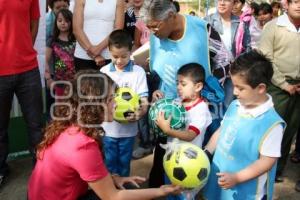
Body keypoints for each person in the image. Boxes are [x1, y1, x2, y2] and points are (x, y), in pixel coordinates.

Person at [28, 70, 182, 200]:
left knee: (122, 184)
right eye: (110, 99)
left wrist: (113, 178)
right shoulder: (82, 145)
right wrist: (161, 191)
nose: (116, 103)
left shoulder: (69, 125)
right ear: (93, 106)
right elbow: (112, 197)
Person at [139, 0, 229, 187]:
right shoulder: (157, 36)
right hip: (167, 107)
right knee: (164, 150)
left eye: (155, 26)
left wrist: (206, 94)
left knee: (194, 154)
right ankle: (158, 187)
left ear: (171, 16)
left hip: (198, 107)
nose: (153, 32)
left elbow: (224, 60)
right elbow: (156, 66)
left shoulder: (202, 30)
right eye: (149, 28)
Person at [203, 50, 285, 200]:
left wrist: (237, 177)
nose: (234, 92)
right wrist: (206, 152)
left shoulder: (273, 125)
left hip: (245, 192)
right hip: (220, 182)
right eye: (234, 86)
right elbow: (222, 131)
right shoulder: (235, 105)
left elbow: (267, 162)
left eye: (240, 88)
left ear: (260, 88)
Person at [0, 0, 43, 187]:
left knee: (36, 126)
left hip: (28, 69)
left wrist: (23, 48)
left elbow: (34, 22)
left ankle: (41, 171)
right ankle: (1, 170)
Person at [156, 63, 212, 200]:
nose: (178, 87)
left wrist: (167, 130)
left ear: (198, 86)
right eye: (177, 83)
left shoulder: (201, 110)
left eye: (183, 84)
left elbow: (190, 135)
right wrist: (157, 102)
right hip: (170, 159)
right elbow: (163, 115)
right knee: (170, 193)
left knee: (183, 196)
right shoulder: (177, 102)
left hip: (188, 165)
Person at [258, 0, 300, 182]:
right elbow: (267, 57)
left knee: (291, 130)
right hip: (278, 87)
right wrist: (284, 85)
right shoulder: (273, 26)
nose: (299, 6)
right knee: (272, 129)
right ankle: (263, 170)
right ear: (287, 4)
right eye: (296, 2)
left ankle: (278, 170)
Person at [100, 30, 149, 177]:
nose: (120, 61)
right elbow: (98, 101)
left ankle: (124, 191)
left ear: (131, 50)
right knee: (109, 163)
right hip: (107, 130)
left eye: (124, 56)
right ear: (109, 51)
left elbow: (144, 99)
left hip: (129, 131)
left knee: (124, 163)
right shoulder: (103, 71)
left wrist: (141, 112)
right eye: (115, 56)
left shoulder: (138, 72)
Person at [73, 0, 124, 71]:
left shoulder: (119, 1)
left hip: (109, 56)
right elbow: (77, 29)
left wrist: (97, 50)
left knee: (107, 82)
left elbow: (118, 29)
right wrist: (95, 54)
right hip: (83, 55)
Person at [45, 9, 76, 97]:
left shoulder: (76, 40)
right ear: (56, 22)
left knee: (75, 108)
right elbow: (45, 61)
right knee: (61, 109)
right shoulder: (52, 40)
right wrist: (48, 79)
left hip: (76, 83)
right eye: (60, 20)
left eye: (66, 21)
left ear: (72, 22)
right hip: (59, 83)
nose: (63, 23)